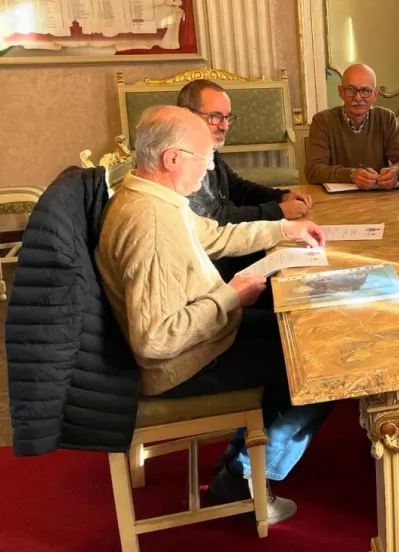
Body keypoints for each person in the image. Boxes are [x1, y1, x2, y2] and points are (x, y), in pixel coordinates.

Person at [95, 105, 332, 524]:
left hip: (200, 336)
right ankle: (242, 477)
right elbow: (153, 340)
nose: (208, 172)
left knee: (297, 333)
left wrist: (285, 229)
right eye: (204, 160)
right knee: (317, 366)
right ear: (172, 158)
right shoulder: (149, 223)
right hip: (178, 364)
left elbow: (217, 235)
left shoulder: (158, 197)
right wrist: (230, 298)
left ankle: (244, 453)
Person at [178, 79, 313, 224]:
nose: (225, 126)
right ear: (187, 115)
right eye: (215, 117)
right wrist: (278, 211)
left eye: (227, 117)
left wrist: (280, 197)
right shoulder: (180, 158)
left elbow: (237, 189)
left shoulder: (206, 147)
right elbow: (213, 217)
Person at [305, 63, 399, 188]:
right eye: (350, 90)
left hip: (379, 199)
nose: (358, 97)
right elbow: (313, 170)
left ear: (375, 94)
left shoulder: (386, 118)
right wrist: (351, 175)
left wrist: (396, 171)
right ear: (340, 92)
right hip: (336, 201)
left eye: (365, 91)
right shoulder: (323, 121)